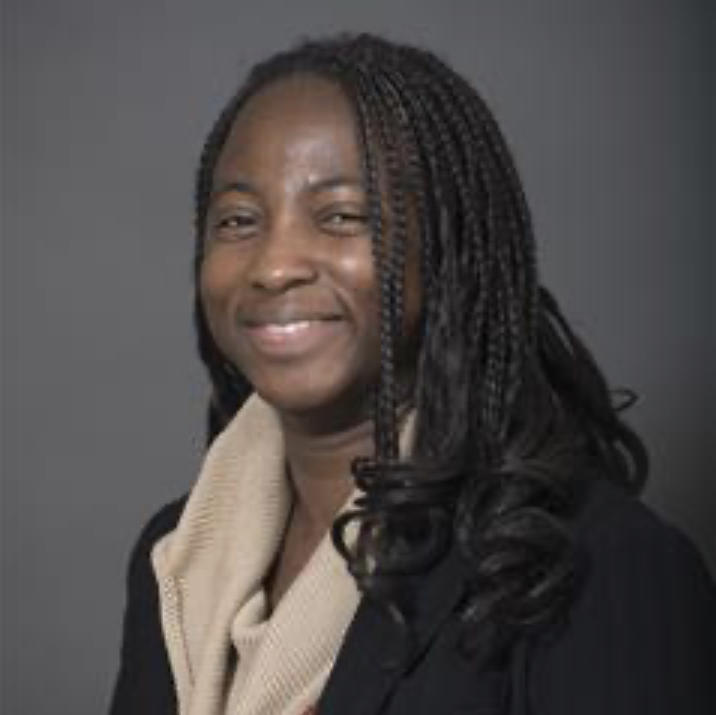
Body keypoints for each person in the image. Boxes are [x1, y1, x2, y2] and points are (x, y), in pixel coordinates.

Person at [109, 33, 716, 715]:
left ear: (451, 248)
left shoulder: (596, 566)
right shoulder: (178, 558)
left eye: (342, 216)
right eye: (239, 220)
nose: (274, 265)